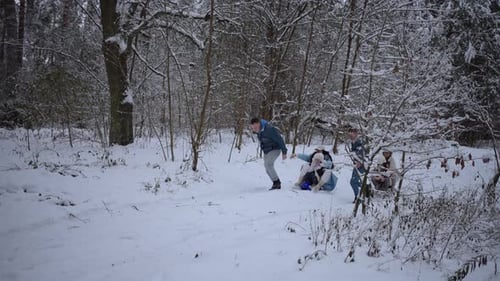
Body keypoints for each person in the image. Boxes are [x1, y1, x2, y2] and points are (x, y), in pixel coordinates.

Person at [250, 118, 287, 190]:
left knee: (268, 164)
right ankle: (275, 183)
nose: (254, 129)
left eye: (255, 127)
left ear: (258, 123)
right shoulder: (259, 130)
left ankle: (277, 183)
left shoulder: (269, 129)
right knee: (267, 168)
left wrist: (284, 151)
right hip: (267, 151)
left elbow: (279, 139)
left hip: (275, 149)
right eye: (253, 128)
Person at [347, 127, 366, 202]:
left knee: (353, 181)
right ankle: (366, 188)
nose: (350, 134)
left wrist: (359, 162)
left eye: (352, 133)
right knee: (358, 181)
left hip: (361, 164)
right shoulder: (353, 141)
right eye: (349, 133)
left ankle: (358, 198)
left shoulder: (360, 142)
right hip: (357, 163)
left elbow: (361, 152)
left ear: (356, 133)